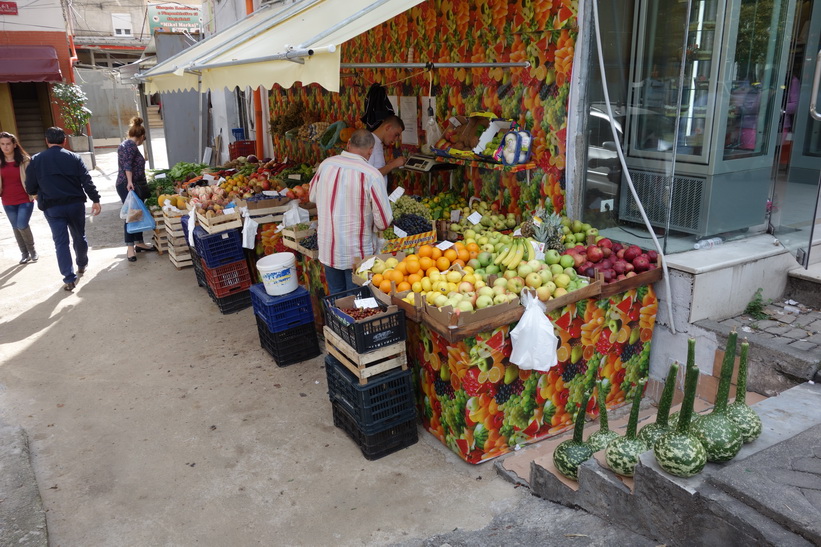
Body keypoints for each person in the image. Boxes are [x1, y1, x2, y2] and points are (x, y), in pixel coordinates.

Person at [309, 129, 393, 296]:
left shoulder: (326, 165)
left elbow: (312, 196)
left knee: (336, 297)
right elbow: (383, 222)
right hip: (356, 253)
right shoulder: (371, 175)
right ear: (370, 150)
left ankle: (337, 322)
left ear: (348, 144)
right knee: (356, 302)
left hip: (328, 248)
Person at [25, 127, 101, 292]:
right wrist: (95, 199)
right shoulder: (74, 158)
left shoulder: (36, 160)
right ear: (64, 140)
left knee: (61, 242)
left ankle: (68, 278)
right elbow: (86, 180)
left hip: (52, 207)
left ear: (47, 141)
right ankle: (81, 264)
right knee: (79, 236)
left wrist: (34, 193)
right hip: (75, 205)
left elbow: (30, 185)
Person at [116, 116, 155, 261]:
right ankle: (130, 249)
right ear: (142, 136)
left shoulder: (126, 144)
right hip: (129, 185)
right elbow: (127, 166)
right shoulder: (130, 146)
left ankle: (139, 243)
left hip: (132, 184)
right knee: (131, 215)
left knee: (136, 213)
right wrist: (130, 182)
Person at [0, 131, 38, 264]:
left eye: (8, 144)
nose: (5, 147)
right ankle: (24, 254)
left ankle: (32, 250)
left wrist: (36, 193)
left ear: (14, 144)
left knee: (21, 225)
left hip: (25, 199)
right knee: (15, 227)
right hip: (7, 201)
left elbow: (33, 179)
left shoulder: (24, 160)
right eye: (2, 144)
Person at [368, 115, 406, 186]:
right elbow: (368, 175)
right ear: (388, 127)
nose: (396, 139)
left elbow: (375, 168)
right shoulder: (370, 142)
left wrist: (387, 165)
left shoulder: (377, 142)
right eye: (396, 134)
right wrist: (393, 165)